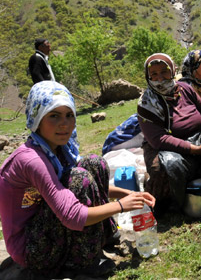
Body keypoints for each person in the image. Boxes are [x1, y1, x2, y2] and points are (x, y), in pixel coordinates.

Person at [0, 81, 156, 278]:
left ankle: (105, 235)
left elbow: (91, 185)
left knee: (93, 163)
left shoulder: (57, 149)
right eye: (54, 116)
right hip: (31, 249)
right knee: (78, 177)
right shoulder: (32, 160)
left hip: (44, 223)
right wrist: (121, 205)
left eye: (69, 115)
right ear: (37, 118)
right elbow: (71, 214)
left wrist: (129, 194)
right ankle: (82, 261)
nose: (64, 123)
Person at [137, 53, 201, 215]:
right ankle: (167, 203)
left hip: (198, 135)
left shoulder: (184, 88)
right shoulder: (146, 104)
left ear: (173, 70)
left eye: (164, 71)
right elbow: (159, 139)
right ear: (147, 76)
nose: (160, 78)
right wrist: (194, 150)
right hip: (166, 146)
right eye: (154, 74)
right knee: (162, 167)